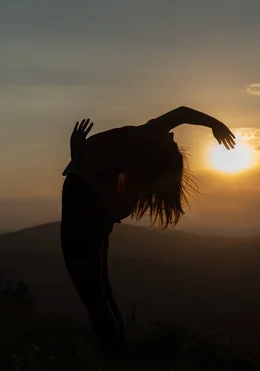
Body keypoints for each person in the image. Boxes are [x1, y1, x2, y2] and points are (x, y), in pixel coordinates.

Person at [60, 107, 236, 353]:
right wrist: (78, 151)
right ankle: (117, 357)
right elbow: (95, 180)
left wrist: (216, 124)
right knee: (100, 292)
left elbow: (182, 113)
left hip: (80, 214)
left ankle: (114, 360)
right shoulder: (142, 156)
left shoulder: (149, 137)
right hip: (90, 216)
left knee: (93, 294)